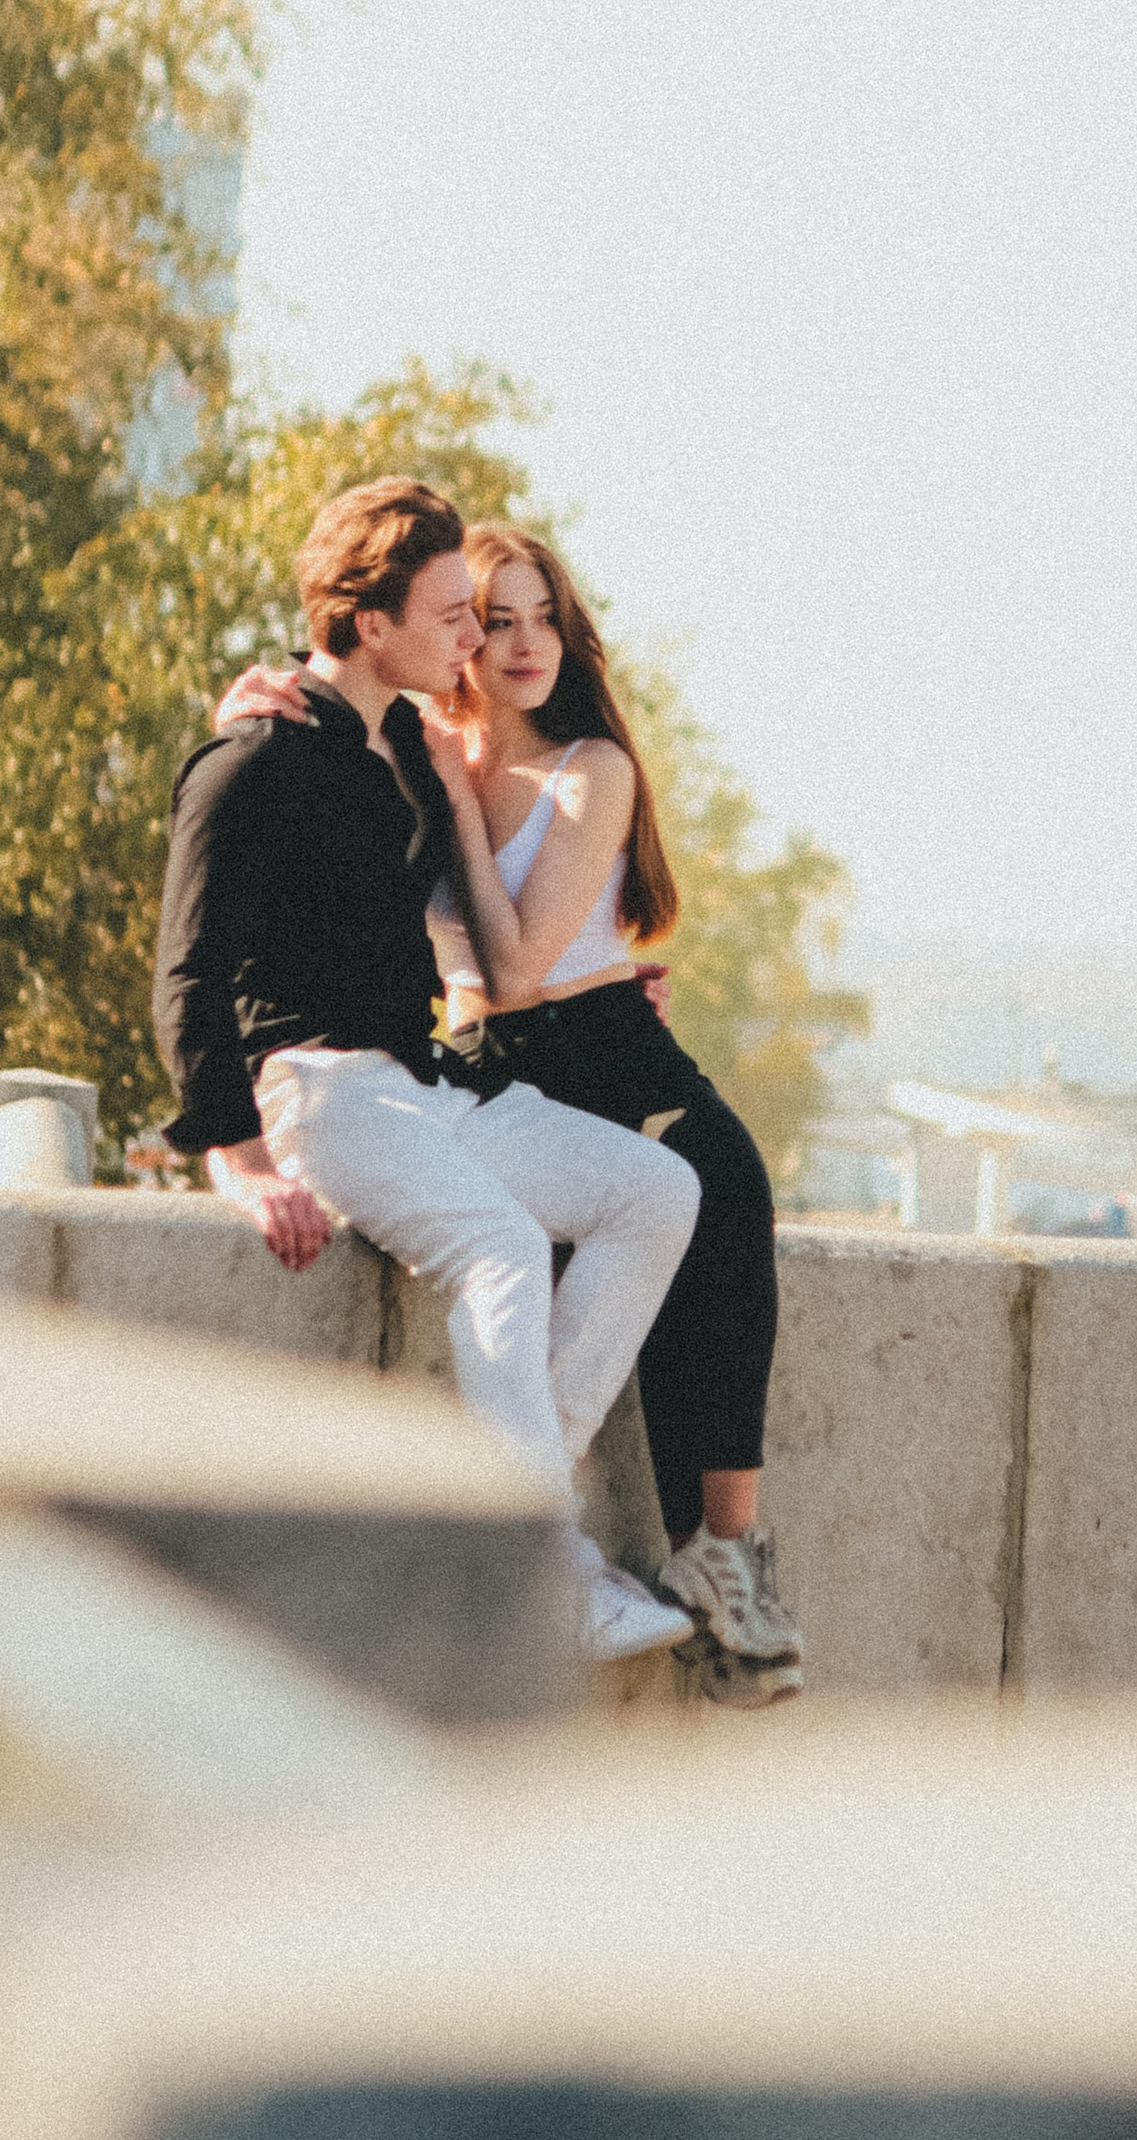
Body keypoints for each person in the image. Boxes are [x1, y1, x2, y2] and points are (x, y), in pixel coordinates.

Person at [215, 518, 804, 1707]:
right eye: (494, 617)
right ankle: (521, 1518)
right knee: (518, 1246)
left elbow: (526, 960)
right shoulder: (410, 743)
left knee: (717, 1200)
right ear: (456, 633)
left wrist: (454, 800)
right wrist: (258, 703)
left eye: (546, 616)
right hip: (478, 1057)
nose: (523, 641)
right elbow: (321, 832)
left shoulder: (588, 765)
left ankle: (719, 1548)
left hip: (594, 1035)